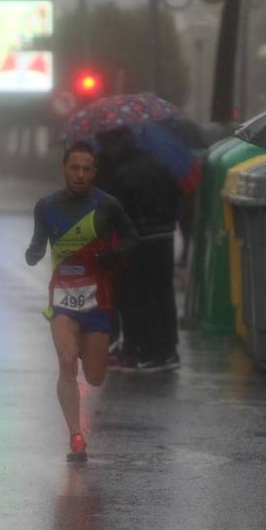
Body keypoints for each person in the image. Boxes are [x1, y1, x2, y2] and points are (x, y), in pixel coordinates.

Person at [26, 141, 138, 462]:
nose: (79, 175)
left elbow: (132, 239)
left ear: (94, 172)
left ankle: (85, 370)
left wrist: (114, 254)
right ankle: (76, 436)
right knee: (65, 360)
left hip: (98, 300)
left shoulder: (108, 206)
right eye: (74, 168)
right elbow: (37, 244)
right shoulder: (46, 207)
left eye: (86, 169)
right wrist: (33, 253)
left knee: (95, 376)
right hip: (61, 297)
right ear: (63, 169)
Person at [95, 127, 182, 372]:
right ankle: (165, 350)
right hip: (163, 235)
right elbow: (177, 194)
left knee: (135, 295)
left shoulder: (121, 171)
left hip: (138, 238)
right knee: (161, 294)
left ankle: (143, 350)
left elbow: (114, 209)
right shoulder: (156, 161)